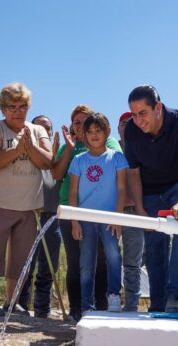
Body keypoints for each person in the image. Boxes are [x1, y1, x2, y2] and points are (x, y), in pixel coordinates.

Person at [0, 83, 52, 317]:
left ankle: (13, 303)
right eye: (11, 107)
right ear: (3, 109)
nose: (17, 112)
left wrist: (29, 149)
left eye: (22, 107)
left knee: (21, 258)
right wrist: (16, 149)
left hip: (28, 205)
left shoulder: (36, 131)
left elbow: (48, 161)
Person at [123, 85, 178, 312]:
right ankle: (158, 303)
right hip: (149, 191)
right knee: (154, 245)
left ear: (157, 107)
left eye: (142, 113)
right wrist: (139, 207)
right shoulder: (131, 130)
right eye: (134, 115)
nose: (138, 120)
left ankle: (176, 297)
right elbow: (133, 172)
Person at [52, 105, 119, 321]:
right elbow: (57, 174)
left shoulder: (107, 143)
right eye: (77, 123)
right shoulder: (69, 148)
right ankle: (76, 310)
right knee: (75, 262)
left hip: (99, 213)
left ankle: (100, 308)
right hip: (71, 212)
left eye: (85, 122)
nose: (81, 128)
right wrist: (69, 148)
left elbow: (117, 168)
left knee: (99, 261)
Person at [68, 113, 127, 313]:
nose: (94, 135)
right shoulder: (78, 160)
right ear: (83, 135)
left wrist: (118, 217)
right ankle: (87, 304)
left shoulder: (117, 157)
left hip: (110, 217)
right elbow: (73, 192)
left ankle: (114, 297)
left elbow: (121, 189)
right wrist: (74, 220)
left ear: (107, 132)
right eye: (90, 131)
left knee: (113, 256)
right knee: (86, 261)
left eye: (98, 131)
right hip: (85, 218)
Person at [17, 114, 63, 318]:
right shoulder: (24, 155)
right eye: (40, 127)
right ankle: (20, 306)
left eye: (48, 128)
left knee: (49, 265)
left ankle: (42, 309)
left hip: (53, 215)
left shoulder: (57, 157)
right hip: (29, 212)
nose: (45, 131)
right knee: (26, 264)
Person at [117, 111, 145, 312]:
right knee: (108, 259)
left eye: (131, 121)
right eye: (123, 123)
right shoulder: (111, 149)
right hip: (113, 211)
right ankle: (107, 300)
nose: (127, 125)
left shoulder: (144, 147)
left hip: (138, 211)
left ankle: (132, 304)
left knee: (133, 262)